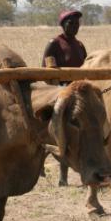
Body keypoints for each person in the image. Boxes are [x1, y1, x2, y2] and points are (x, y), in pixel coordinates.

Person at [42, 10, 87, 186]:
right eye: (70, 24)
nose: (74, 27)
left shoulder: (80, 45)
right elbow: (45, 70)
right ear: (62, 25)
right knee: (62, 134)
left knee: (78, 134)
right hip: (60, 94)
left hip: (78, 94)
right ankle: (63, 177)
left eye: (76, 24)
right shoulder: (54, 44)